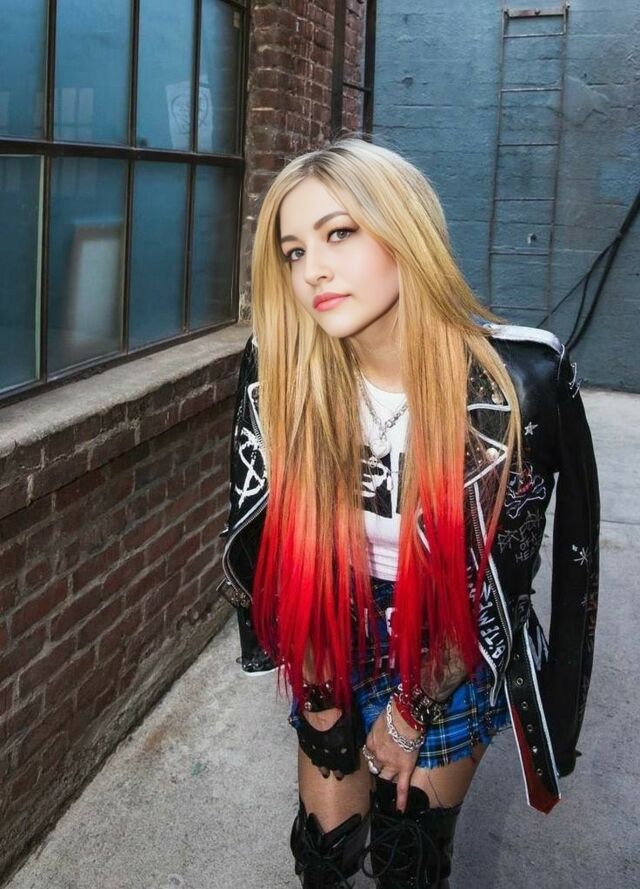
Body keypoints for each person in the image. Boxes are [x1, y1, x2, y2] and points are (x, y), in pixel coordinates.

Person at [218, 137, 600, 888]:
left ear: (406, 232)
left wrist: (410, 713)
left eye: (338, 233)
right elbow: (270, 544)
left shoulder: (517, 385)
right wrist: (321, 700)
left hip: (450, 636)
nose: (312, 270)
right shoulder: (282, 365)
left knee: (409, 856)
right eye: (294, 252)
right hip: (330, 613)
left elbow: (509, 576)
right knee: (326, 850)